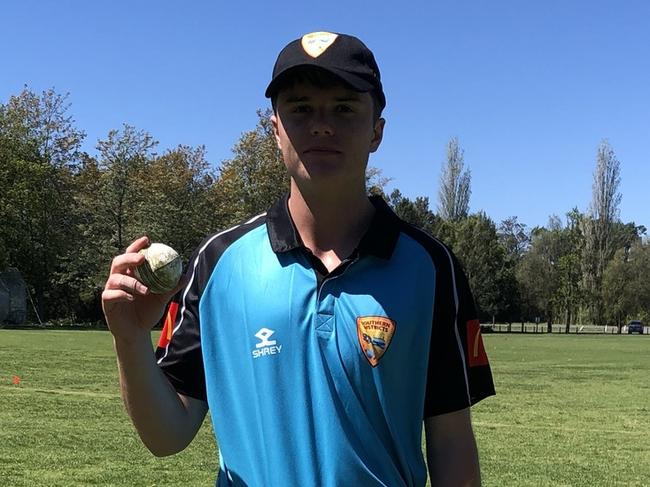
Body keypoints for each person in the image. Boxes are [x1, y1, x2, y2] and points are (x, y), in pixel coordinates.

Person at [102, 31, 495, 487]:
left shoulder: (431, 267)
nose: (322, 124)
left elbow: (451, 443)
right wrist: (130, 339)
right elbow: (167, 435)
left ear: (377, 132)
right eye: (301, 107)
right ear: (275, 129)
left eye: (344, 108)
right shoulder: (218, 263)